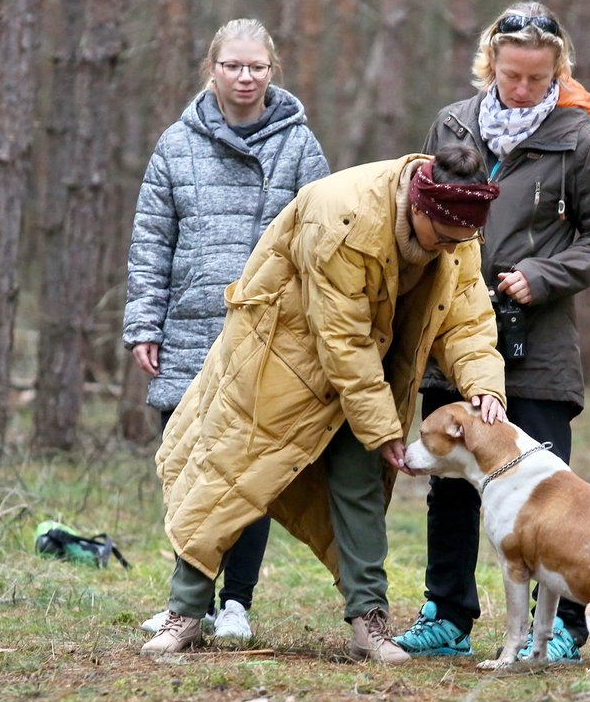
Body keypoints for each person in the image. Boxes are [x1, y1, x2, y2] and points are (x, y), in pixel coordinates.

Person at [139, 144, 507, 663]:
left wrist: (484, 384)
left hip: (366, 369)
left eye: (462, 240)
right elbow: (343, 339)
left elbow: (467, 318)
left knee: (359, 487)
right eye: (445, 238)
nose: (452, 249)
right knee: (232, 474)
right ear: (420, 208)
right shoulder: (343, 214)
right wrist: (384, 428)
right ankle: (185, 613)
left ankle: (370, 623)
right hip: (282, 357)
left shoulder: (458, 226)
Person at [394, 1, 590, 662]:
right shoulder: (452, 122)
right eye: (510, 73)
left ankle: (566, 626)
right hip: (455, 331)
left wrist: (548, 274)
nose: (521, 88)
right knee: (449, 478)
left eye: (535, 76)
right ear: (489, 61)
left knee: (551, 491)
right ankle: (447, 614)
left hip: (538, 344)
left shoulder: (578, 139)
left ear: (558, 67)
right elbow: (424, 207)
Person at [123, 18, 330, 642]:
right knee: (187, 464)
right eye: (233, 66)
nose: (245, 77)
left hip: (268, 337)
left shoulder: (300, 145)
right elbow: (152, 240)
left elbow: (323, 239)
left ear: (273, 71)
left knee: (250, 470)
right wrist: (143, 322)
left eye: (257, 67)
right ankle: (190, 601)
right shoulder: (175, 144)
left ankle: (237, 602)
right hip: (186, 329)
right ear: (211, 69)